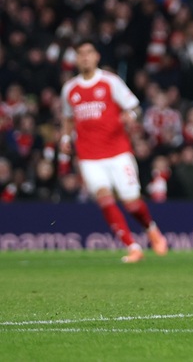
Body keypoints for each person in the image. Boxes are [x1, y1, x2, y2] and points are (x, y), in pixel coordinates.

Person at [60, 40, 169, 263]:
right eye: (80, 54)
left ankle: (151, 229)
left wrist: (131, 116)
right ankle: (132, 246)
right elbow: (67, 118)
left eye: (88, 53)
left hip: (118, 152)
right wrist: (64, 138)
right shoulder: (69, 89)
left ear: (96, 56)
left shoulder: (110, 82)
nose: (85, 57)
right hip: (89, 156)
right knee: (104, 198)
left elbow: (134, 106)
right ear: (76, 59)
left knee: (132, 203)